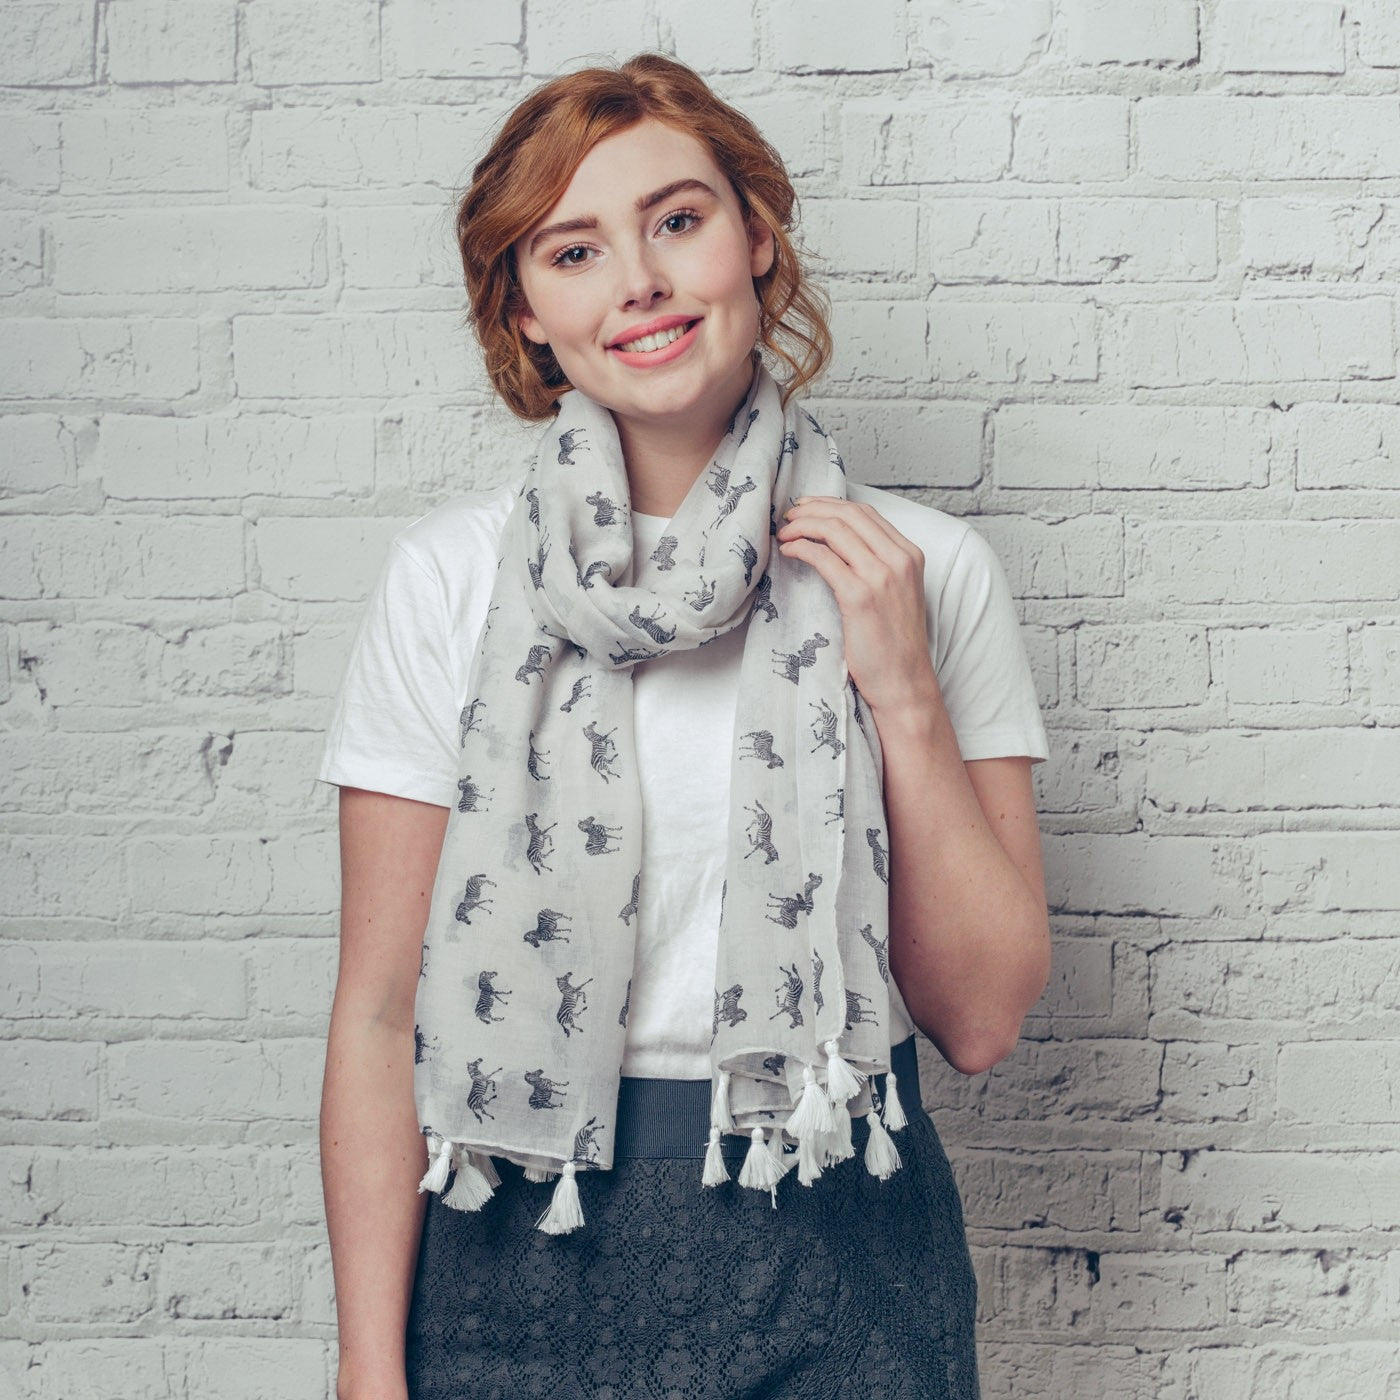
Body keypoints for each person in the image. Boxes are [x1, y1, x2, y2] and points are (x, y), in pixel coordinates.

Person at [318, 52, 1051, 1400]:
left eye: (677, 220)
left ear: (756, 242)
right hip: (510, 1261)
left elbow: (985, 1018)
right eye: (574, 249)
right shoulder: (451, 582)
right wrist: (370, 1365)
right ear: (528, 314)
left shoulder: (921, 570)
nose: (637, 282)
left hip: (836, 1256)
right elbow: (376, 1016)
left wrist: (898, 688)